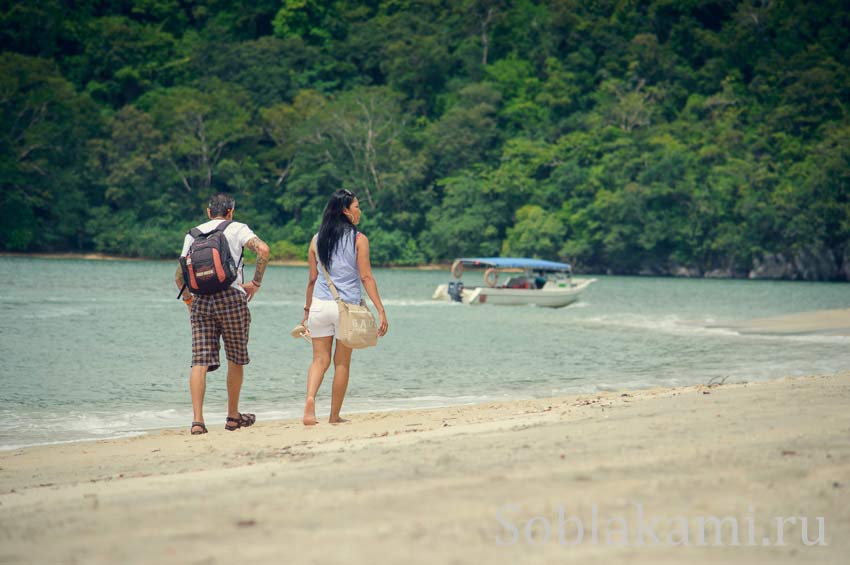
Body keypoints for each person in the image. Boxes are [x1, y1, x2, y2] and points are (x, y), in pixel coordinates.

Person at [175, 193, 270, 435]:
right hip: (232, 298)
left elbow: (179, 276)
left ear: (209, 212)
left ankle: (197, 421)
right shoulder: (238, 228)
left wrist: (189, 301)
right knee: (235, 357)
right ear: (230, 212)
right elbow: (263, 250)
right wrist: (256, 283)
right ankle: (232, 417)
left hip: (201, 301)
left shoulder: (192, 234)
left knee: (199, 361)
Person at [301, 189, 388, 425]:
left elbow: (311, 279)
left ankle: (310, 402)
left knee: (319, 360)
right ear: (345, 211)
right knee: (341, 363)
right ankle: (334, 415)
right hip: (345, 309)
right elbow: (366, 277)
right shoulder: (359, 239)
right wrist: (380, 309)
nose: (360, 210)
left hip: (319, 306)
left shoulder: (316, 239)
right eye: (357, 206)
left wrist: (306, 312)